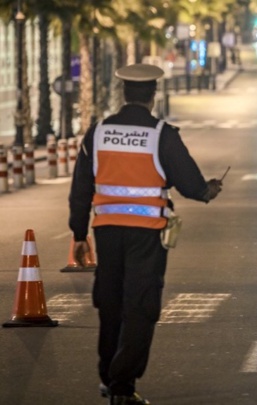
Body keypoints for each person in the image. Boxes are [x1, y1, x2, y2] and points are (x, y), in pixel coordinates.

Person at [68, 64, 223, 405]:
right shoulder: (161, 134)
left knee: (110, 305)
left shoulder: (98, 132)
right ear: (153, 96)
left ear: (124, 94)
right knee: (140, 307)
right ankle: (122, 385)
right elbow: (190, 183)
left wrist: (79, 234)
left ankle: (109, 376)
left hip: (106, 232)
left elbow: (80, 187)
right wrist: (208, 190)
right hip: (146, 235)